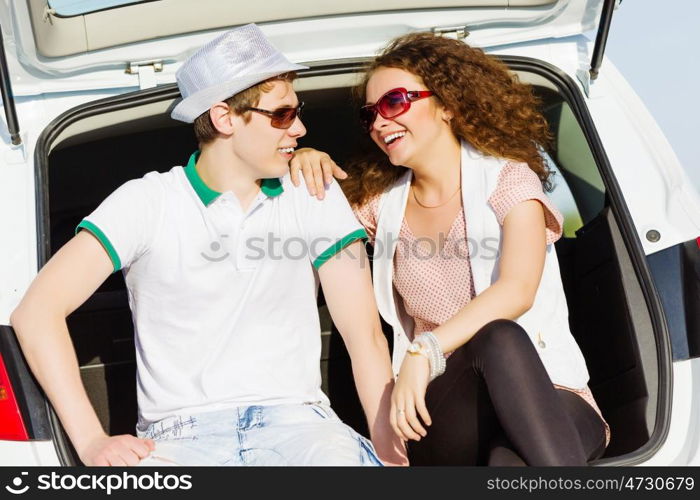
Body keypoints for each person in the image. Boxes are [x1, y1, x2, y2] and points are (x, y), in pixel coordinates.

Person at [10, 24, 407, 466]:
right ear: (224, 119)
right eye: (282, 114)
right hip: (177, 439)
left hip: (303, 430)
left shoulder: (313, 191)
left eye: (297, 111)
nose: (300, 128)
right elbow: (36, 312)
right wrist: (90, 440)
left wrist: (390, 456)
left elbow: (365, 337)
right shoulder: (146, 201)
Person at [289, 32, 610, 465]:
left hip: (550, 393)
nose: (380, 122)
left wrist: (426, 350)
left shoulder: (509, 181)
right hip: (444, 408)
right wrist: (302, 159)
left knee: (508, 457)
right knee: (495, 339)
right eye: (370, 114)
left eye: (395, 102)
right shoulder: (376, 206)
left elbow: (517, 290)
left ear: (447, 104)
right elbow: (304, 221)